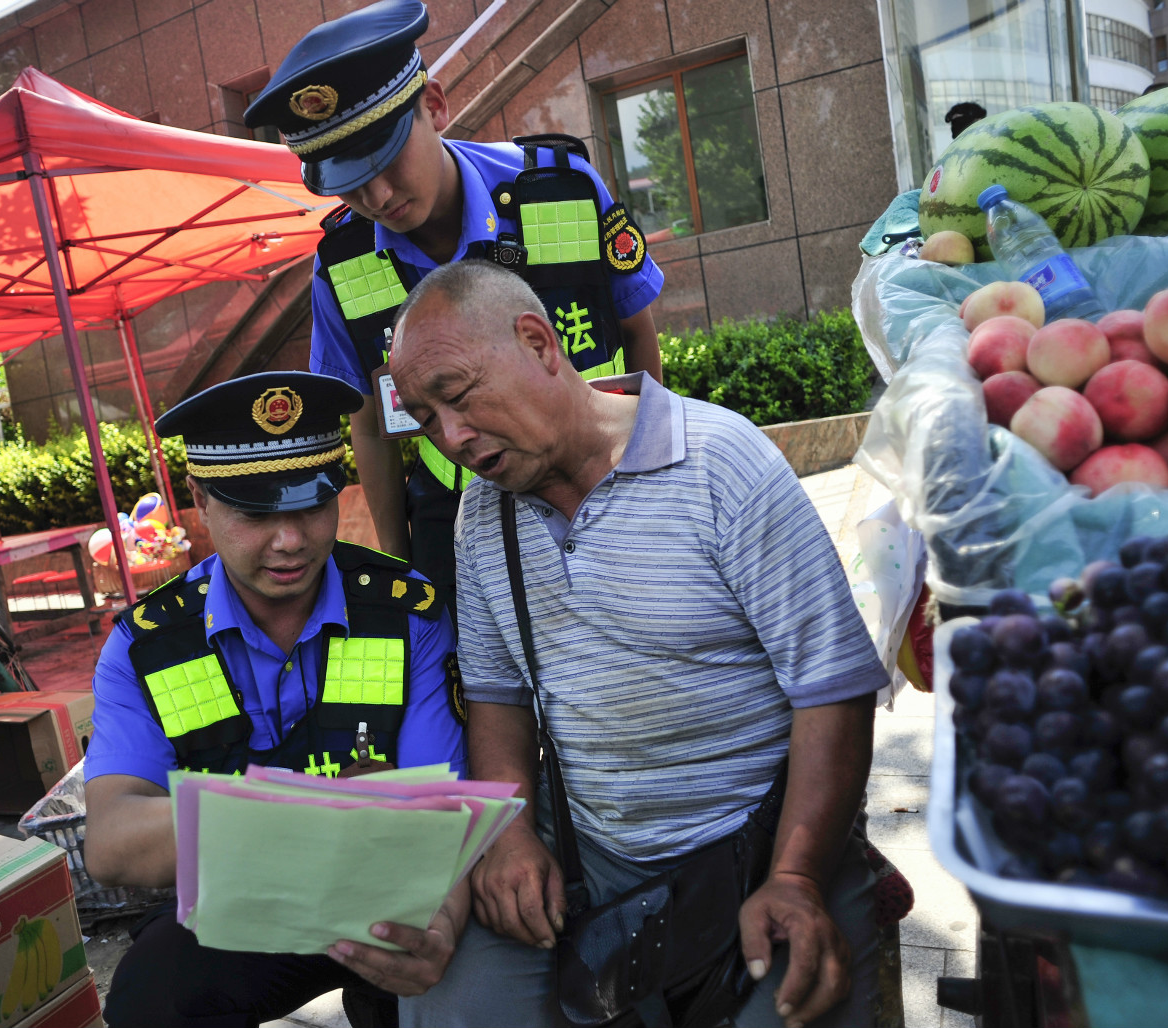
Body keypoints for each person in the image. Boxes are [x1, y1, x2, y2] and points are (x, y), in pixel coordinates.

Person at [388, 261, 891, 1028]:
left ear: (538, 343)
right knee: (449, 995)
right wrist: (511, 833)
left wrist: (797, 876)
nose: (451, 437)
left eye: (457, 395)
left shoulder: (719, 461)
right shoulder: (482, 517)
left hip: (768, 837)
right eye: (426, 420)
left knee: (801, 996)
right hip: (590, 851)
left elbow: (834, 690)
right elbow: (497, 701)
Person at [243, 0, 666, 602]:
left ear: (435, 106)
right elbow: (369, 425)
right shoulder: (342, 265)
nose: (378, 196)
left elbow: (637, 331)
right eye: (350, 183)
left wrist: (652, 473)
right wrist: (402, 565)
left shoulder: (561, 192)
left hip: (603, 476)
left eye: (386, 158)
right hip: (459, 510)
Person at [85, 371, 469, 1028]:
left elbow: (444, 811)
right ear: (200, 500)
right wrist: (311, 811)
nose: (290, 540)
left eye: (312, 505)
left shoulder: (407, 615)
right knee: (154, 992)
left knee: (455, 976)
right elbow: (113, 840)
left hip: (384, 889)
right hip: (242, 900)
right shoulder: (150, 645)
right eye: (256, 513)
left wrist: (444, 922)